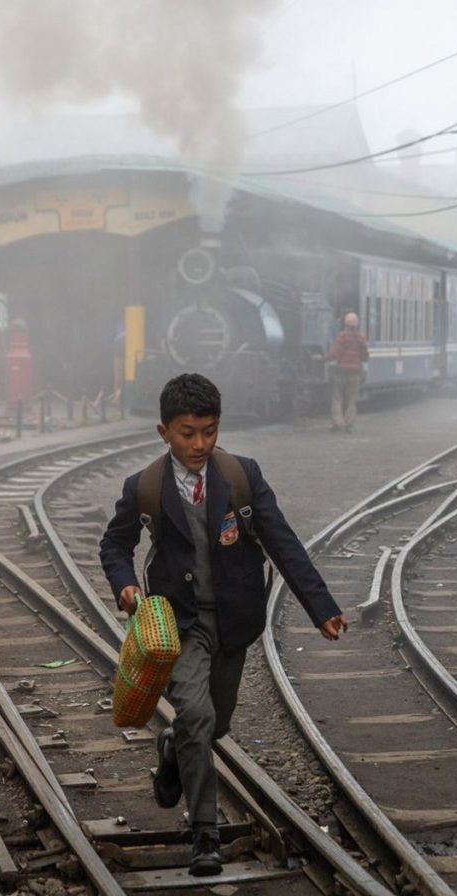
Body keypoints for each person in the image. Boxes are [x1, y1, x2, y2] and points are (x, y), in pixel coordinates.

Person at [98, 373, 348, 877]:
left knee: (218, 723)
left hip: (234, 619)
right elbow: (114, 545)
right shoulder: (144, 486)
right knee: (195, 715)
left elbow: (283, 542)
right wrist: (125, 584)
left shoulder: (241, 477)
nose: (199, 443)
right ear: (163, 431)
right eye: (188, 433)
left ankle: (172, 749)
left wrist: (320, 607)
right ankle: (205, 835)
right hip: (179, 625)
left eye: (209, 431)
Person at [323, 311, 368, 432]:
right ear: (357, 325)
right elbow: (365, 357)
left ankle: (338, 422)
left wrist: (323, 358)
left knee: (337, 398)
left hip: (341, 372)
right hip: (355, 373)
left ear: (345, 324)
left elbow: (335, 353)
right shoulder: (361, 338)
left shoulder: (342, 336)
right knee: (352, 400)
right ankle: (349, 424)